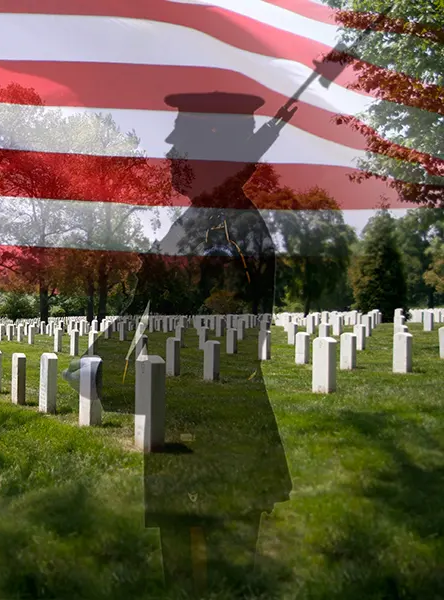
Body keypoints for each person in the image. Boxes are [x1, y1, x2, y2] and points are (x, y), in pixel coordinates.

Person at [63, 91, 297, 595]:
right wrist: (100, 357)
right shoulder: (196, 223)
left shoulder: (230, 231)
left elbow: (217, 342)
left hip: (215, 435)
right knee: (185, 575)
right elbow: (146, 309)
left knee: (218, 576)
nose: (169, 150)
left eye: (181, 138)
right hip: (188, 425)